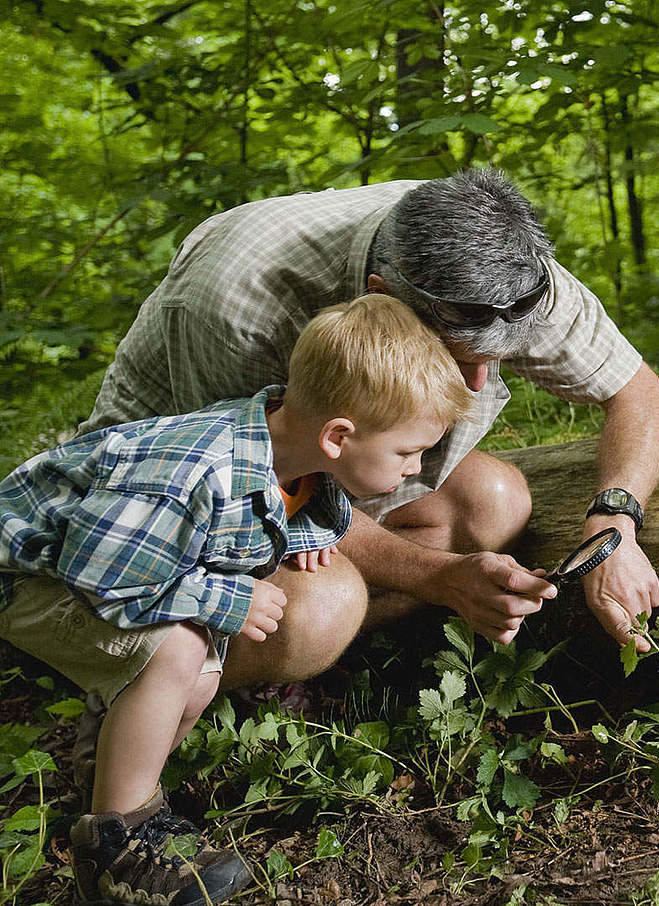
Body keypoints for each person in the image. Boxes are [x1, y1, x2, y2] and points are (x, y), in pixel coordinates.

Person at [79, 168, 659, 697]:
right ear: (382, 296)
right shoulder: (243, 302)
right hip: (162, 516)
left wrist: (614, 524)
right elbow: (246, 495)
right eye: (455, 356)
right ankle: (142, 691)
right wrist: (441, 577)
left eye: (498, 360)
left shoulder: (504, 266)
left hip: (320, 473)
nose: (476, 381)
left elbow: (640, 395)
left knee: (493, 502)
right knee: (315, 611)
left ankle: (310, 663)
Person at [0, 295, 476, 906]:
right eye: (407, 451)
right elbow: (102, 574)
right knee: (178, 646)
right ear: (338, 436)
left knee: (200, 674)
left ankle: (113, 789)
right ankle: (116, 852)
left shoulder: (298, 463)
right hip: (29, 577)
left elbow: (265, 517)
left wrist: (299, 537)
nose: (414, 468)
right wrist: (228, 600)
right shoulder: (196, 468)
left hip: (102, 569)